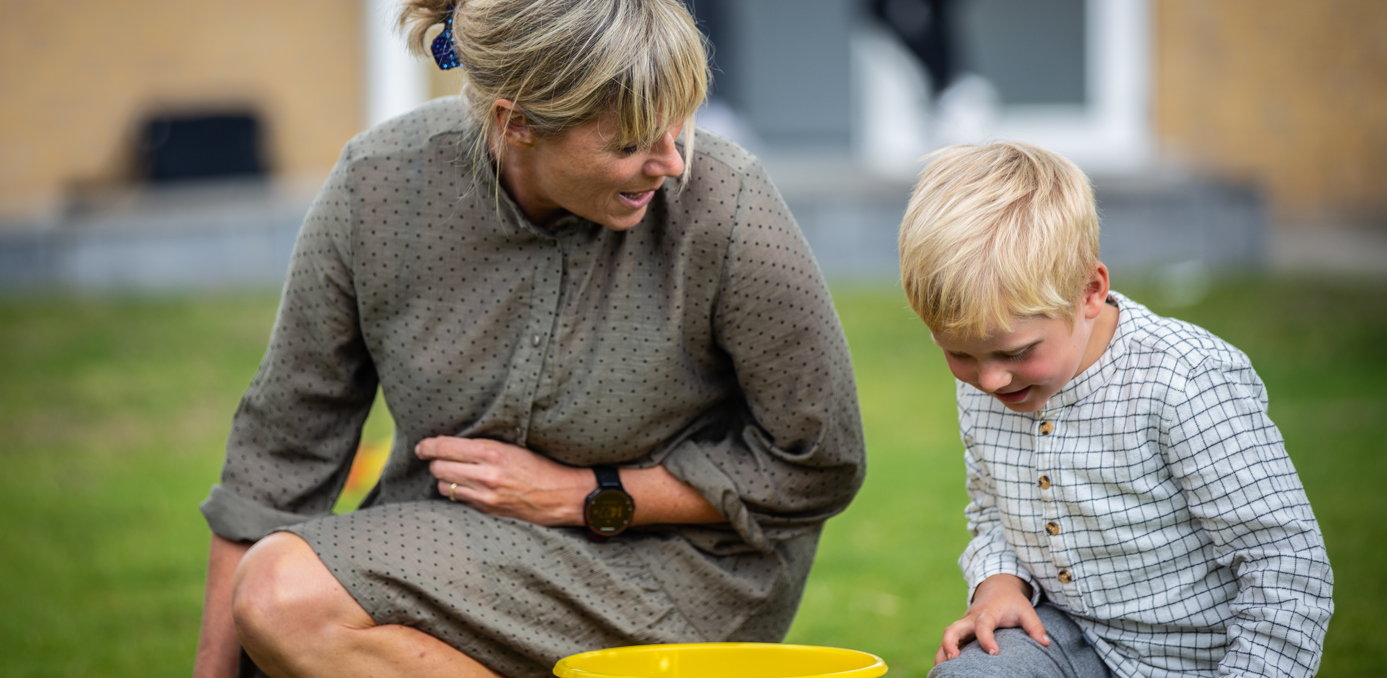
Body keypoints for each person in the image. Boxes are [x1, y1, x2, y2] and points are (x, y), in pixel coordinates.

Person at [191, 1, 867, 676]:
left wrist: (587, 494)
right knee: (275, 612)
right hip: (441, 550)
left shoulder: (728, 204)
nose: (671, 162)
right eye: (630, 143)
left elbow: (817, 462)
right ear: (517, 124)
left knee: (289, 596)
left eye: (680, 118)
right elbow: (274, 466)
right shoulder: (377, 187)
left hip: (676, 570)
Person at [897, 141, 1333, 677]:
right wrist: (999, 582)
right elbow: (993, 511)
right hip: (1068, 640)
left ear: (1089, 292)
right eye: (958, 352)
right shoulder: (994, 380)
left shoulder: (1185, 380)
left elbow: (1285, 562)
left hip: (1204, 660)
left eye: (1016, 352)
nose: (988, 379)